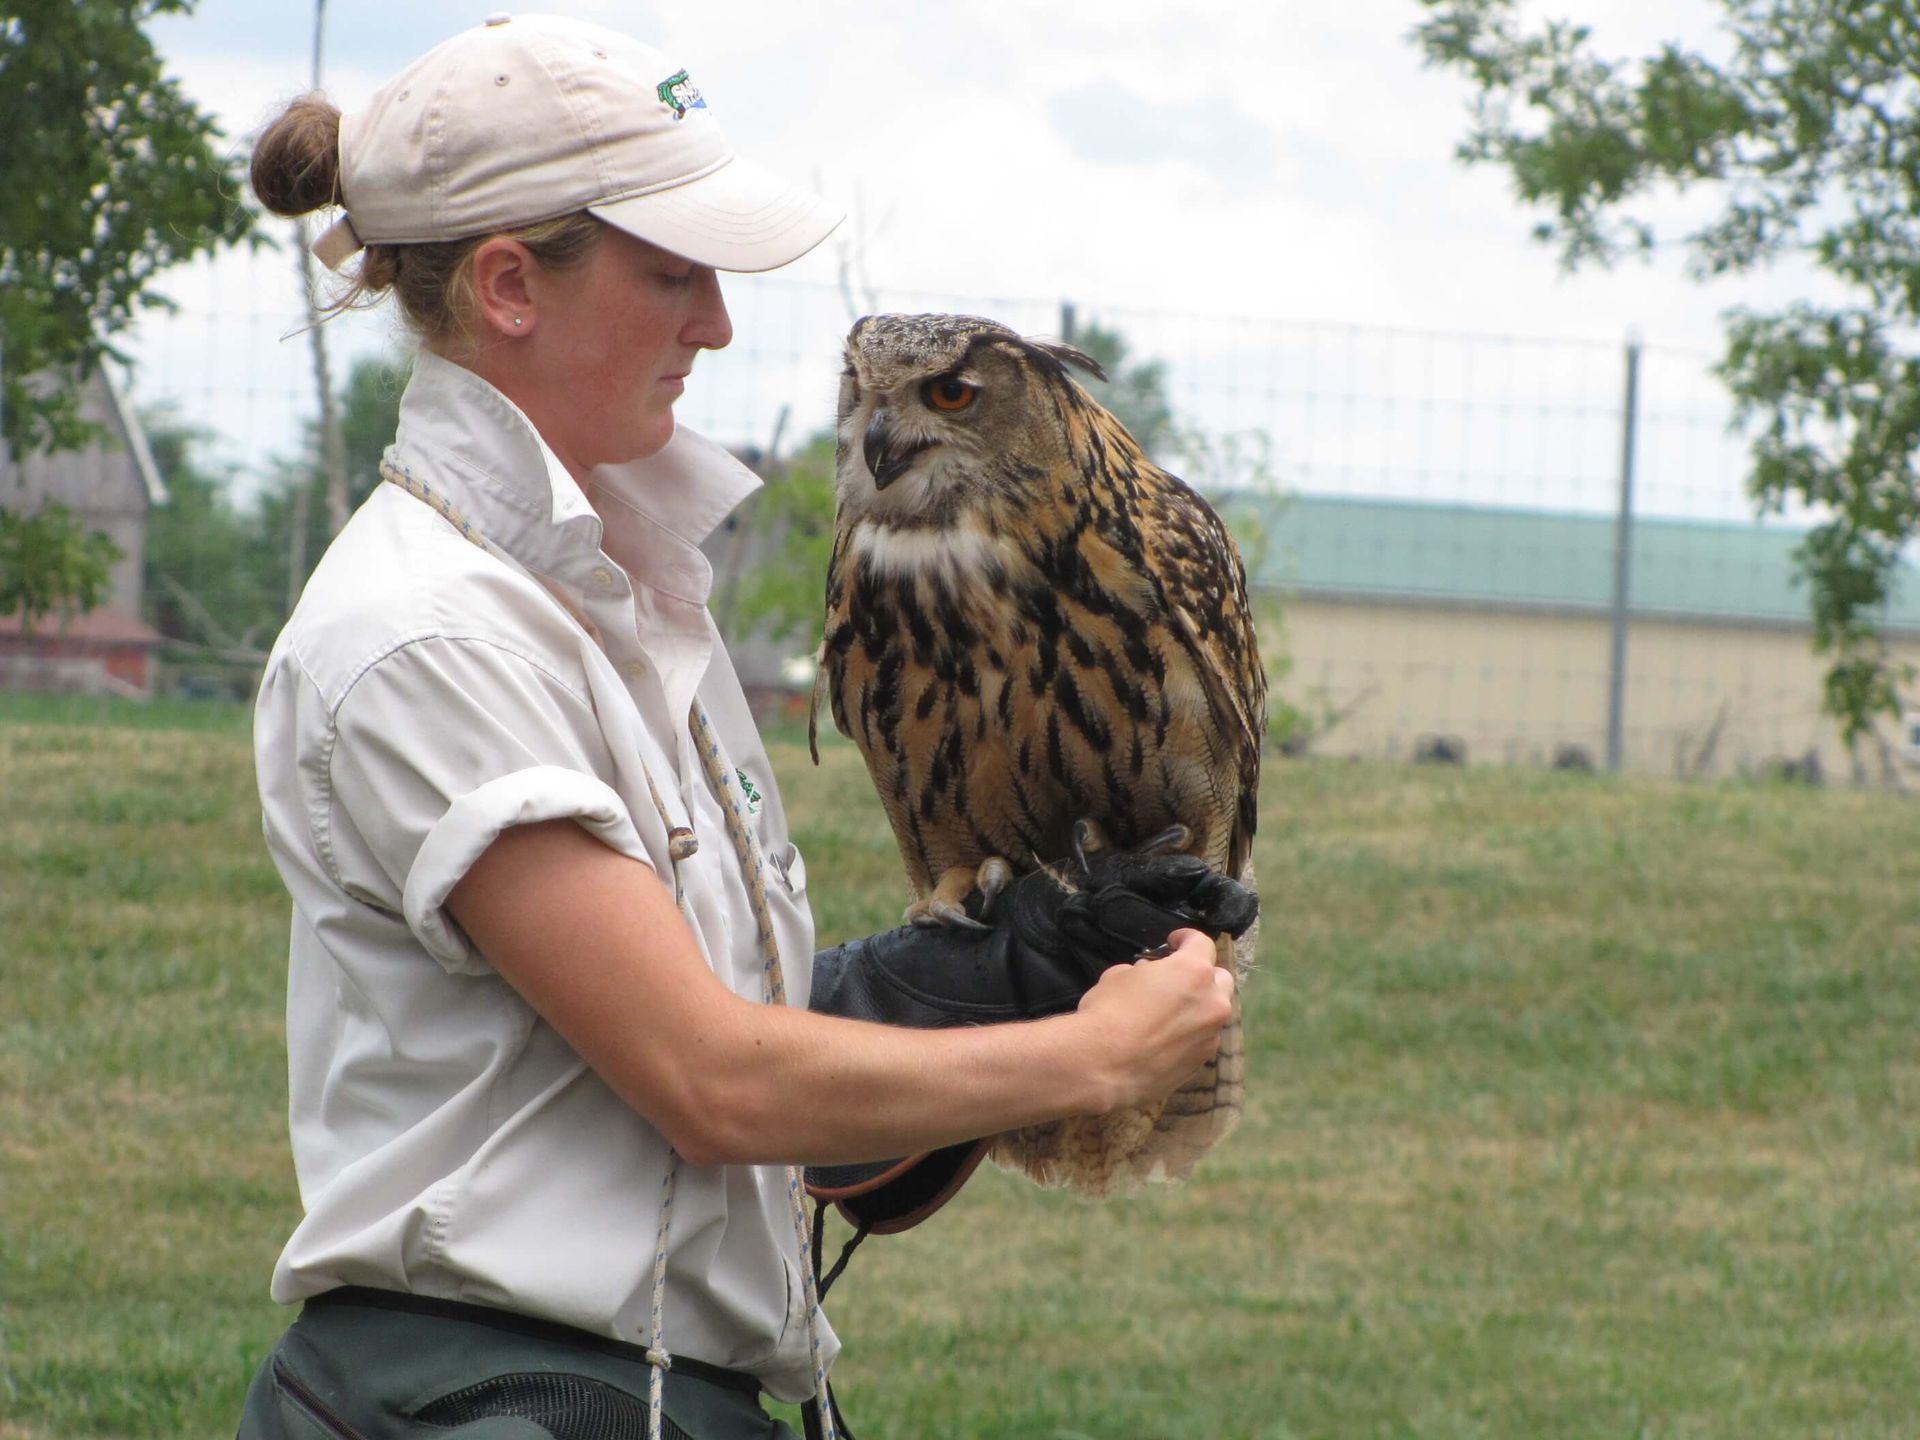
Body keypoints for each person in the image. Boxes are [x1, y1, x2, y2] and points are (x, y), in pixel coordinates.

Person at [237, 15, 1251, 1440]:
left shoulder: (619, 588)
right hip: (495, 1400)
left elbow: (652, 1056)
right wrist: (1090, 1056)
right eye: (674, 273)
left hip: (641, 1392)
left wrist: (945, 983)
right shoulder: (429, 634)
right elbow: (708, 1080)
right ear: (512, 286)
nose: (715, 321)